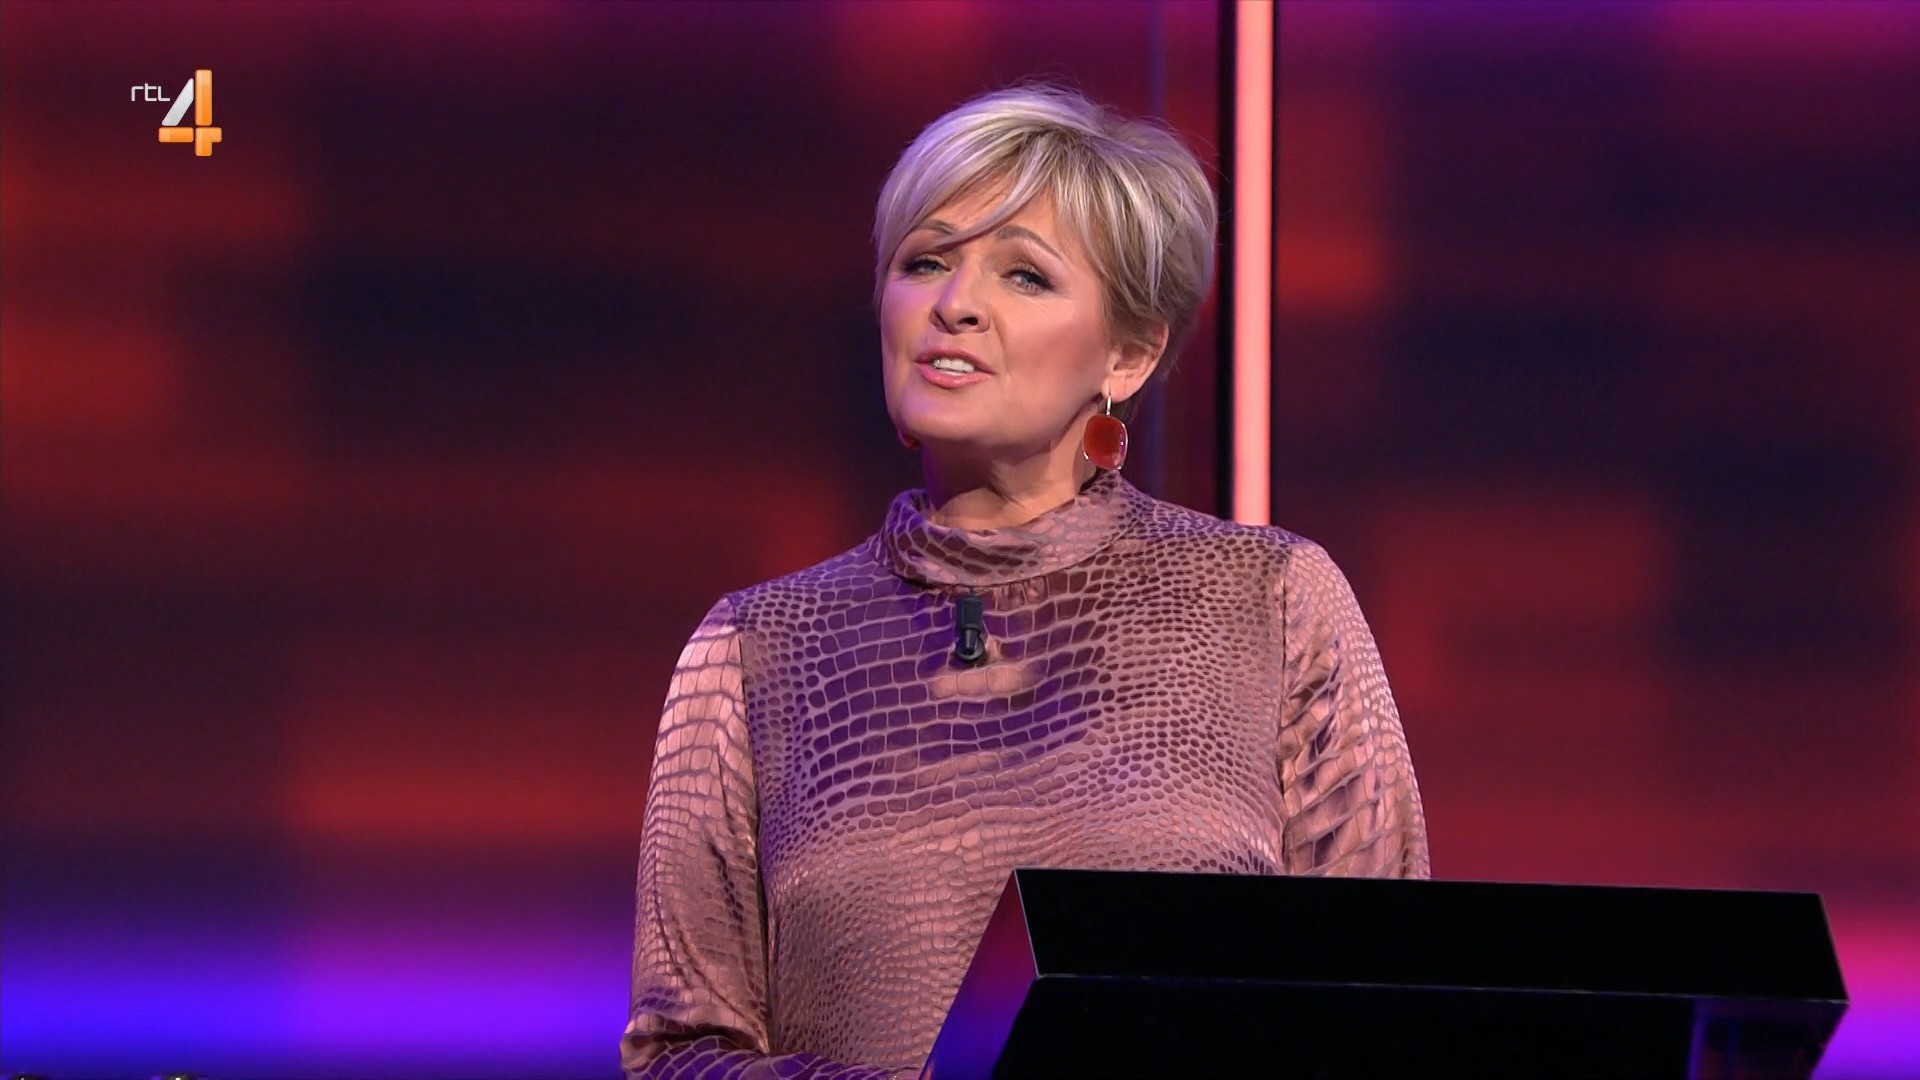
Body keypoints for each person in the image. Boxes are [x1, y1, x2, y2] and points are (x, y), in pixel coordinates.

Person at [621, 83, 1429, 1079]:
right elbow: (678, 1057)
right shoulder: (755, 648)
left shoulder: (1271, 599)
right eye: (924, 262)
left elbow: (1389, 1006)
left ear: (1129, 355)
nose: (954, 305)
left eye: (1025, 276)